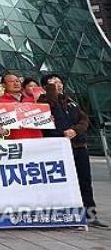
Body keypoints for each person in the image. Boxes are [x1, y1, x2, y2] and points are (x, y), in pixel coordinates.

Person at [38, 74, 109, 228]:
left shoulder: (71, 102)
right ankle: (69, 216)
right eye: (53, 82)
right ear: (45, 86)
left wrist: (75, 131)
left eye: (59, 82)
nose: (58, 84)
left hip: (79, 146)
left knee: (84, 182)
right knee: (65, 183)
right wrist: (51, 90)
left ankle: (90, 215)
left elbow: (84, 120)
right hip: (59, 148)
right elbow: (50, 110)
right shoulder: (44, 101)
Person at [0, 73, 42, 139]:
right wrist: (4, 132)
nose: (16, 83)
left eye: (17, 81)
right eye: (11, 81)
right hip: (15, 142)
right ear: (3, 85)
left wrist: (49, 118)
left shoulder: (33, 100)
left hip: (37, 139)